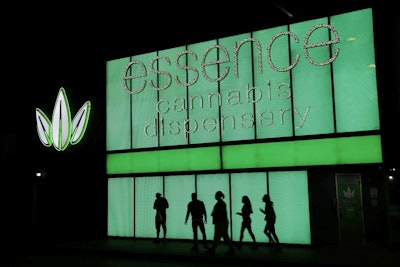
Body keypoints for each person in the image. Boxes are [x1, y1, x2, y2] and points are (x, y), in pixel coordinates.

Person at [207, 190, 235, 255]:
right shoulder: (221, 203)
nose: (215, 196)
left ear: (218, 196)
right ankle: (231, 249)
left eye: (216, 195)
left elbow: (219, 213)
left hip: (220, 222)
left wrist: (214, 213)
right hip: (222, 222)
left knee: (217, 236)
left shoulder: (220, 203)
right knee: (224, 236)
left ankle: (213, 249)